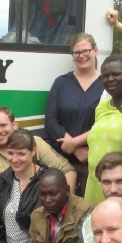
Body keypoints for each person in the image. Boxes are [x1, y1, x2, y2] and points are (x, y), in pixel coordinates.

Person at [0, 106, 75, 207]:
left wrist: (64, 206)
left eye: (3, 125)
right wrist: (11, 212)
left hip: (44, 212)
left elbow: (68, 171)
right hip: (4, 216)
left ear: (14, 125)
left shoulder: (35, 142)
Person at [45, 32, 103, 194]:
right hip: (62, 162)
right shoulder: (61, 82)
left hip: (94, 160)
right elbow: (50, 120)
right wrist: (74, 147)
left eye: (86, 51)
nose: (81, 56)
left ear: (95, 51)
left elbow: (105, 124)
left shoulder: (106, 83)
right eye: (76, 53)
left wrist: (77, 142)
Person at [84, 55, 122, 205]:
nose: (110, 79)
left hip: (121, 188)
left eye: (116, 74)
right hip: (95, 185)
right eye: (105, 76)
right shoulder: (101, 106)